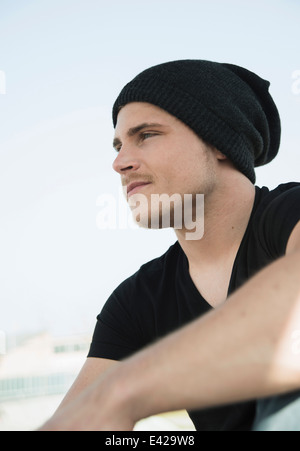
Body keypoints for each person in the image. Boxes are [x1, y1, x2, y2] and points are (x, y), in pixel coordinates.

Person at [40, 60, 300, 431]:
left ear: (218, 143)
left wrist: (125, 390)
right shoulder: (136, 302)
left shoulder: (289, 214)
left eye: (145, 135)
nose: (119, 162)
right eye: (118, 145)